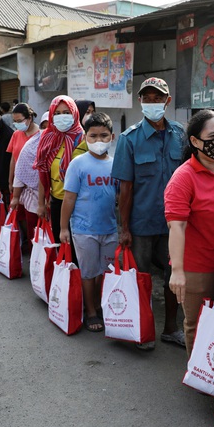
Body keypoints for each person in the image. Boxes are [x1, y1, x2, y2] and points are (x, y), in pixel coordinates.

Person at [111, 77, 186, 350]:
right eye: (147, 98)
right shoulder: (128, 139)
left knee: (172, 276)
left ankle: (170, 328)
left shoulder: (180, 134)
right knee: (141, 277)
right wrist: (124, 228)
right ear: (140, 102)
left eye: (158, 98)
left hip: (174, 223)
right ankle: (142, 328)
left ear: (167, 101)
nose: (152, 102)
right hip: (142, 222)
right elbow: (125, 189)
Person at [165, 110, 214, 355]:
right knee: (197, 324)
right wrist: (178, 271)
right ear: (194, 141)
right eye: (213, 136)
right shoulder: (183, 177)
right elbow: (177, 227)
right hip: (196, 267)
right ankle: (199, 376)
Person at [59, 112, 119, 333]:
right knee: (88, 272)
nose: (98, 140)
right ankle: (91, 311)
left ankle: (102, 305)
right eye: (93, 136)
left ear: (112, 137)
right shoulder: (78, 164)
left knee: (105, 271)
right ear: (85, 138)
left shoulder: (116, 164)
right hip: (84, 230)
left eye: (104, 136)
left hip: (110, 229)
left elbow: (121, 197)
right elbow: (69, 198)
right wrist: (64, 228)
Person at [34, 95, 84, 240]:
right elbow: (43, 172)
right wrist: (41, 204)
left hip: (80, 203)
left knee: (77, 249)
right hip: (56, 201)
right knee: (60, 245)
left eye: (66, 112)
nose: (62, 117)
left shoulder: (84, 139)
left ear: (74, 113)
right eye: (57, 113)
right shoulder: (48, 138)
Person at [11, 111, 49, 247]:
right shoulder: (31, 145)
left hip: (58, 200)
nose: (48, 130)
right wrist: (15, 197)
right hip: (34, 198)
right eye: (45, 127)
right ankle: (37, 263)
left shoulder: (67, 145)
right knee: (35, 235)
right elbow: (20, 169)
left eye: (51, 126)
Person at [7, 103, 39, 192]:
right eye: (15, 121)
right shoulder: (16, 134)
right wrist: (10, 181)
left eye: (19, 121)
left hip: (35, 185)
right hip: (18, 183)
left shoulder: (40, 136)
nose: (17, 124)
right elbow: (13, 159)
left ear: (29, 118)